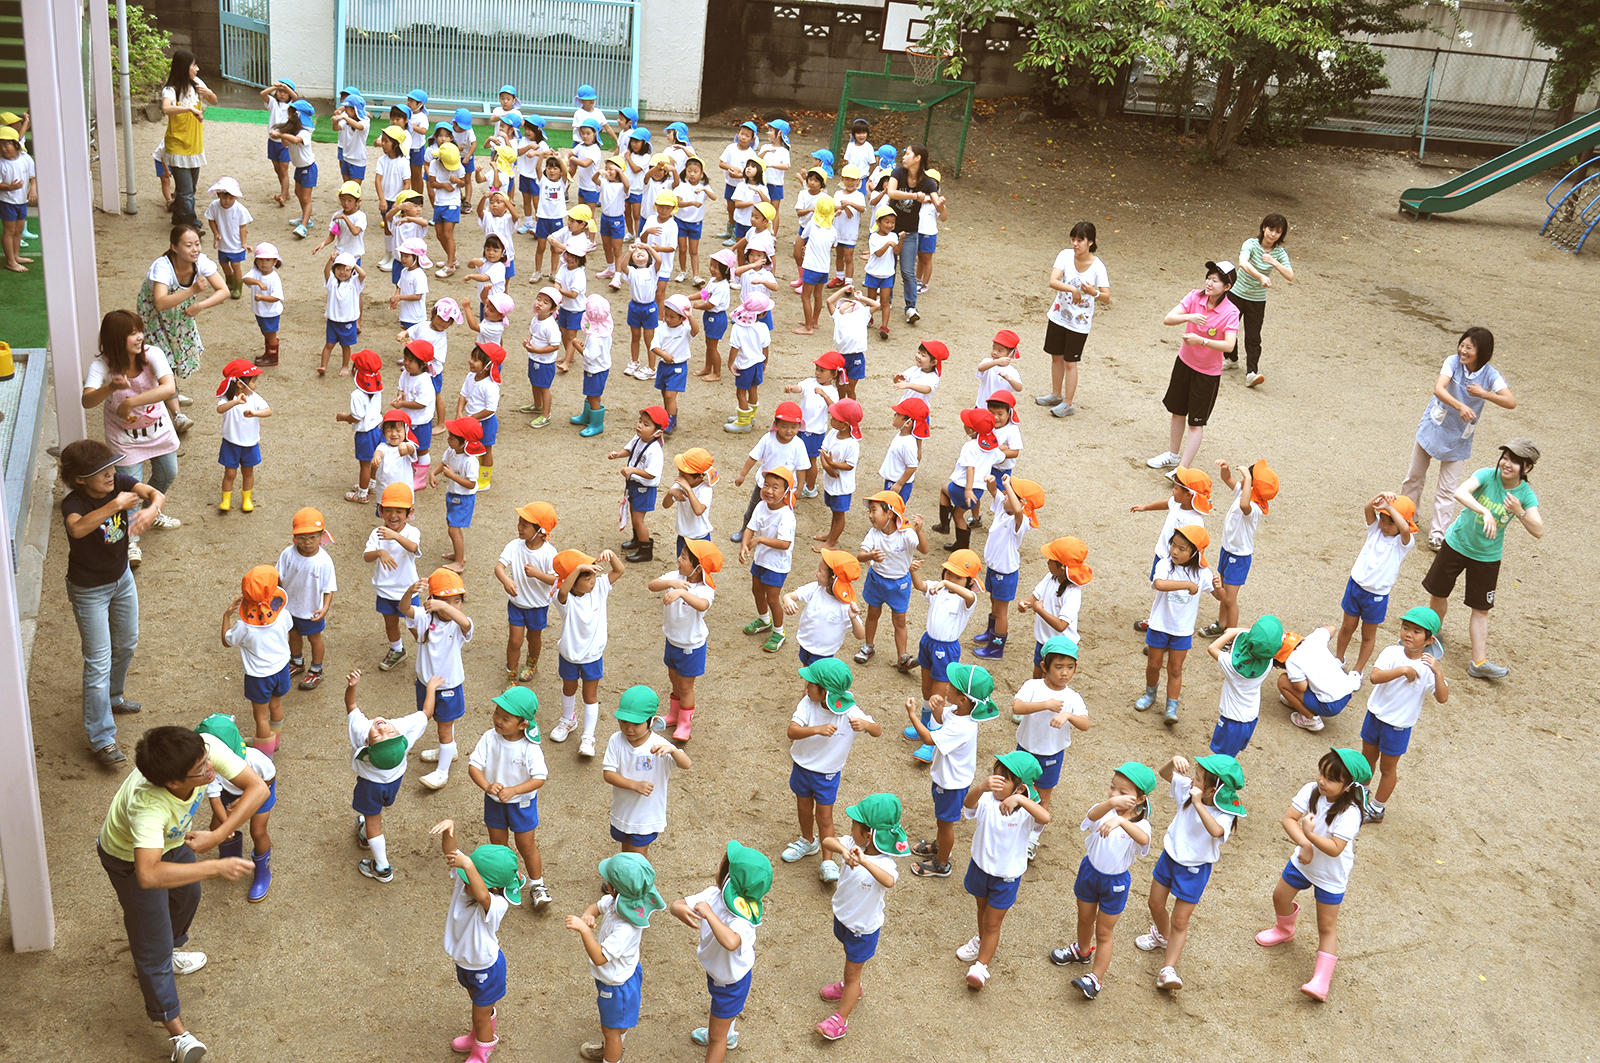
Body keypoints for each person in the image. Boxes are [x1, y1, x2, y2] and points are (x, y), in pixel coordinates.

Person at [97, 725, 266, 1062]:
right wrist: (216, 867)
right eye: (201, 770)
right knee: (151, 941)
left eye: (207, 760)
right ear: (174, 783)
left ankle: (168, 951)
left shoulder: (199, 749)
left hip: (172, 842)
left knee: (188, 897)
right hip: (130, 858)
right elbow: (147, 874)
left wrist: (218, 836)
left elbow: (257, 788)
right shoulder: (147, 806)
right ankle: (178, 1034)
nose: (210, 769)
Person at [60, 440, 165, 765]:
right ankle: (102, 739)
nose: (111, 473)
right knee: (97, 662)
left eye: (111, 466)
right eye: (101, 471)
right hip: (88, 589)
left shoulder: (119, 481)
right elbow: (77, 529)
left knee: (127, 643)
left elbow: (154, 493)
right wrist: (114, 505)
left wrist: (150, 510)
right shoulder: (74, 502)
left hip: (121, 579)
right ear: (80, 478)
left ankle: (113, 696)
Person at [1254, 748, 1371, 1002]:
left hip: (1331, 874)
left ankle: (1321, 981)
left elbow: (1335, 849)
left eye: (1331, 779)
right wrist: (1304, 845)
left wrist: (1310, 836)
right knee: (1280, 897)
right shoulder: (1311, 790)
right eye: (1322, 773)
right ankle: (1285, 929)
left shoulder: (1350, 813)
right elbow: (1288, 819)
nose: (1321, 781)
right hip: (1303, 863)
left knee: (1326, 926)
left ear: (1348, 787)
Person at [1421, 439, 1543, 678]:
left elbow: (1538, 530)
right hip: (1456, 544)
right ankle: (1434, 633)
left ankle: (1479, 662)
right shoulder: (1488, 475)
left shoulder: (1525, 495)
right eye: (1505, 457)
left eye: (1514, 461)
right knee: (1438, 593)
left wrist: (1519, 511)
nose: (1506, 464)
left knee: (1481, 608)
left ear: (1527, 468)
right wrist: (1484, 510)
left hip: (1487, 556)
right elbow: (1460, 492)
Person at [1136, 753, 1246, 991]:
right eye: (1194, 775)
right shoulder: (1189, 788)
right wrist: (1172, 760)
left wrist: (1197, 804)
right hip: (1170, 856)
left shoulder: (1225, 811)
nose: (1192, 780)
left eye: (1198, 778)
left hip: (1195, 869)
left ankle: (1168, 969)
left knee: (1180, 919)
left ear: (1213, 790)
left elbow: (1216, 831)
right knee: (1154, 903)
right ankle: (1162, 936)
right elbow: (1165, 774)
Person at [81, 310, 182, 566]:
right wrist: (112, 387)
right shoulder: (102, 366)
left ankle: (152, 509)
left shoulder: (152, 354)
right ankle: (131, 542)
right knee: (130, 487)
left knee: (168, 473)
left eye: (140, 331)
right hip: (125, 439)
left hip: (158, 431)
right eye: (132, 333)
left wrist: (130, 403)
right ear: (116, 339)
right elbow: (87, 400)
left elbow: (169, 388)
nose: (140, 337)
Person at [1048, 761, 1157, 1001]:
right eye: (1112, 787)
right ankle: (1082, 950)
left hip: (1115, 884)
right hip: (1089, 872)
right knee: (1084, 918)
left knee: (1105, 932)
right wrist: (1111, 805)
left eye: (1122, 792)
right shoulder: (1104, 809)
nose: (1114, 794)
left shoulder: (1141, 824)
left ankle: (1095, 978)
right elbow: (1091, 815)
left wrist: (1121, 821)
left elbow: (1143, 839)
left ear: (1140, 799)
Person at [1400, 328, 1516, 549]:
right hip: (1435, 426)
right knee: (1414, 476)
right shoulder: (1453, 362)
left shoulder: (1491, 375)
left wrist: (1484, 394)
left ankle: (1437, 534)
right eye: (1462, 345)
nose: (1463, 350)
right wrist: (1460, 405)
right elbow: (1439, 388)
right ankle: (1405, 517)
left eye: (1469, 348)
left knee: (1447, 488)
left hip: (1459, 437)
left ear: (1482, 352)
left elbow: (1510, 402)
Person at [429, 819, 523, 1063]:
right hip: (466, 962)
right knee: (477, 1005)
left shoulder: (496, 904)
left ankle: (483, 1050)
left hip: (486, 968)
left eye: (469, 876)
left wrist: (469, 866)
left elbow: (480, 892)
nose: (463, 881)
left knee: (480, 1013)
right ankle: (478, 1033)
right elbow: (452, 853)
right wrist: (450, 830)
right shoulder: (466, 881)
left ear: (492, 887)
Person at [814, 793, 906, 1041]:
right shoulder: (854, 845)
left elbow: (889, 881)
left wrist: (864, 861)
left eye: (855, 825)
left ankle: (841, 1018)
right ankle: (849, 986)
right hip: (844, 919)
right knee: (848, 959)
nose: (850, 828)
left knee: (854, 972)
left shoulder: (885, 864)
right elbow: (828, 841)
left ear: (869, 834)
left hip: (862, 930)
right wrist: (844, 851)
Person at [670, 841, 772, 1062]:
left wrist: (709, 915)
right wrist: (680, 910)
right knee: (721, 1016)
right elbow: (677, 904)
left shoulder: (743, 920)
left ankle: (724, 1035)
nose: (717, 871)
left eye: (722, 869)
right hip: (718, 971)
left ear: (729, 881)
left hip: (731, 983)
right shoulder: (712, 895)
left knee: (718, 1038)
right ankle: (729, 1032)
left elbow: (731, 941)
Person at [955, 751, 1049, 989]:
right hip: (980, 867)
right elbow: (967, 803)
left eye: (1003, 779)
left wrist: (1021, 801)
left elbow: (1045, 817)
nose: (995, 781)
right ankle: (980, 939)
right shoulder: (987, 798)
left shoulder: (1027, 810)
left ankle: (981, 967)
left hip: (1006, 878)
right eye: (994, 775)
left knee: (993, 922)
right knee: (981, 910)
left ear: (1019, 789)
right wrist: (981, 786)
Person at [782, 658, 881, 881]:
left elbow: (877, 731)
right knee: (804, 808)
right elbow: (792, 731)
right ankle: (808, 841)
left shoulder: (850, 712)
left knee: (825, 817)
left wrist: (866, 725)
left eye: (811, 684)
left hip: (827, 774)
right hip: (802, 767)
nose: (806, 687)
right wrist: (816, 729)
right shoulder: (807, 704)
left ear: (826, 692)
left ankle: (828, 860)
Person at [568, 853, 666, 1063]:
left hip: (616, 986)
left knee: (610, 1031)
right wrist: (589, 915)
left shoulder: (626, 928)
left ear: (616, 889)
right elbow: (596, 906)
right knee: (616, 1025)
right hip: (619, 976)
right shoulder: (620, 901)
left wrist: (584, 930)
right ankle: (614, 1041)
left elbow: (600, 957)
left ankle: (611, 1054)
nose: (606, 884)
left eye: (608, 882)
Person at [905, 661, 997, 879]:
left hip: (952, 785)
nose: (946, 686)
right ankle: (940, 846)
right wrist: (937, 709)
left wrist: (913, 716)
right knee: (941, 820)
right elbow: (940, 719)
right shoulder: (958, 712)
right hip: (946, 780)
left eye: (951, 686)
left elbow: (928, 738)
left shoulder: (962, 727)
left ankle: (942, 863)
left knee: (946, 825)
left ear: (963, 699)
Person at [347, 668, 439, 883]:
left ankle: (382, 868)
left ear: (367, 745)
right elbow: (427, 712)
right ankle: (366, 833)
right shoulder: (403, 733)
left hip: (370, 787)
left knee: (373, 822)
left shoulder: (362, 732)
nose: (383, 729)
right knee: (375, 814)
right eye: (387, 733)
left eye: (381, 734)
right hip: (393, 784)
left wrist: (352, 687)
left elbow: (351, 705)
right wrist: (432, 688)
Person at [1359, 606, 1448, 824]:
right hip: (1375, 715)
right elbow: (1374, 677)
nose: (1408, 634)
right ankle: (1361, 794)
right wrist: (1402, 671)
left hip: (1398, 726)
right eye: (1405, 628)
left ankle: (1377, 808)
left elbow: (1442, 697)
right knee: (1367, 757)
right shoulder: (1391, 652)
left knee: (1388, 768)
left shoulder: (1428, 667)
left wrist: (1438, 672)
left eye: (1416, 632)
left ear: (1429, 640)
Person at [1147, 260, 1239, 470]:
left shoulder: (1231, 312)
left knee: (1195, 423)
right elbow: (1168, 319)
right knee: (1177, 412)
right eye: (1209, 278)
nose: (1209, 283)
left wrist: (1202, 341)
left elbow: (1229, 345)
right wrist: (1189, 317)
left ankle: (1183, 470)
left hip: (1207, 374)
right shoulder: (1194, 296)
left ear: (1227, 287)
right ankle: (1172, 455)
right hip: (1184, 364)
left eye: (1215, 280)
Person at [136, 225, 228, 432]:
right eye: (188, 245)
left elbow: (224, 290)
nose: (195, 249)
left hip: (181, 312)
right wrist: (194, 291)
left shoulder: (201, 261)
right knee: (163, 358)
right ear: (174, 248)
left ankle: (171, 390)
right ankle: (177, 415)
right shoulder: (162, 267)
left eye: (197, 244)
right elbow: (160, 302)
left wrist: (200, 305)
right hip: (154, 316)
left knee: (178, 352)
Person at [466, 686, 550, 906]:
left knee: (526, 845)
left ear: (523, 725)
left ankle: (537, 884)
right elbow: (474, 766)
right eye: (496, 713)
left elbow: (540, 777)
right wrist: (487, 786)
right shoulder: (489, 737)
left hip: (521, 804)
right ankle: (505, 879)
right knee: (498, 846)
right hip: (494, 802)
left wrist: (514, 790)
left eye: (506, 718)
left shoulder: (530, 747)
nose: (498, 720)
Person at [1011, 635, 1089, 860]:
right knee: (1019, 789)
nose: (1065, 673)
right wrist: (1046, 705)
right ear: (1044, 666)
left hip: (1052, 755)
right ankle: (1014, 826)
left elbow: (1085, 724)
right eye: (1059, 667)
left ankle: (1032, 837)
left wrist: (1068, 715)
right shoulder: (1032, 686)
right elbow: (1017, 706)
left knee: (1043, 796)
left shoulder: (1072, 697)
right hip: (1025, 750)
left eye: (1070, 667)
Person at [400, 569, 475, 789]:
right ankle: (448, 749)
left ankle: (442, 772)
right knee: (434, 721)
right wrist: (409, 592)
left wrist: (444, 606)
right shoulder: (424, 618)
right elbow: (404, 609)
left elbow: (467, 624)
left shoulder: (458, 623)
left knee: (444, 726)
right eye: (445, 600)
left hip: (448, 686)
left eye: (457, 601)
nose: (453, 606)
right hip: (425, 683)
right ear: (431, 600)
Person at [1136, 525, 1217, 725]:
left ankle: (1171, 706)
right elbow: (1159, 584)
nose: (1175, 551)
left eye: (1182, 549)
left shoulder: (1203, 573)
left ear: (1194, 553)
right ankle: (1150, 694)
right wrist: (1187, 585)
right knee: (1153, 664)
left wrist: (1219, 586)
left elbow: (1220, 597)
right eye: (1173, 545)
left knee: (1175, 669)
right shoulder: (1165, 564)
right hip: (1159, 625)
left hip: (1182, 630)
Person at [549, 548, 628, 755]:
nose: (593, 579)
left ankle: (588, 736)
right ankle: (568, 720)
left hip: (593, 656)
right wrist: (578, 569)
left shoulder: (600, 588)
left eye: (593, 574)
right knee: (569, 688)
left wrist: (611, 555)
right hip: (569, 655)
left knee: (590, 694)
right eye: (587, 576)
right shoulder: (563, 599)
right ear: (572, 579)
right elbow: (564, 591)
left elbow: (619, 570)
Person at [603, 686, 692, 858]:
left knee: (637, 858)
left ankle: (633, 884)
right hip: (623, 811)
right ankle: (622, 879)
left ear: (652, 720)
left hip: (646, 816)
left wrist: (673, 750)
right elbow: (608, 774)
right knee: (626, 850)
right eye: (623, 722)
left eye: (636, 724)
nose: (629, 729)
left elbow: (686, 764)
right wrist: (634, 785)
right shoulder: (616, 740)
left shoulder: (660, 746)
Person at [1334, 492, 1417, 676]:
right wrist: (1381, 497)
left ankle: (1358, 671)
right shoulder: (1375, 530)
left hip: (1377, 595)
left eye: (1391, 522)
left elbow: (1404, 530)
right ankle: (1338, 659)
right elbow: (1367, 508)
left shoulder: (1403, 543)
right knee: (1347, 626)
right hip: (1355, 586)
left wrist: (1389, 508)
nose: (1385, 526)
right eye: (1383, 520)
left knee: (1368, 634)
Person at [648, 536, 721, 741]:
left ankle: (684, 723)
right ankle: (673, 714)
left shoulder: (706, 589)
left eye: (684, 557)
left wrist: (681, 592)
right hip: (672, 641)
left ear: (698, 569)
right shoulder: (676, 576)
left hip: (691, 646)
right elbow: (652, 585)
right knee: (674, 679)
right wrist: (671, 583)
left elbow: (702, 605)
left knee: (686, 686)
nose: (679, 559)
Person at [196, 714, 275, 903]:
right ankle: (229, 858)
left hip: (261, 790)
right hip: (228, 793)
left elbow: (269, 778)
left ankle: (263, 873)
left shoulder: (254, 758)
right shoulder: (209, 767)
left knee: (258, 831)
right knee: (216, 826)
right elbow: (214, 796)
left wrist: (244, 799)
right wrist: (227, 826)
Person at [1037, 222, 1109, 417]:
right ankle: (1055, 394)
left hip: (1079, 323)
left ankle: (1068, 403)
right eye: (1073, 239)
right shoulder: (1065, 255)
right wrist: (1073, 289)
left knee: (1070, 362)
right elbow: (1053, 281)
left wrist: (1093, 293)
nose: (1075, 244)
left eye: (1080, 240)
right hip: (1059, 315)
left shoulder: (1097, 267)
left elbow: (1106, 296)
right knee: (1056, 356)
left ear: (1090, 242)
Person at [220, 566, 294, 755]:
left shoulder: (244, 626)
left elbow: (227, 641)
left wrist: (226, 616)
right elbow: (289, 626)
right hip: (282, 669)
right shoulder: (283, 614)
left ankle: (265, 754)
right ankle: (274, 741)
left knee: (261, 717)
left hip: (259, 676)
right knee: (276, 705)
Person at [1202, 459, 1278, 637]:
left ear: (1254, 484)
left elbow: (1245, 506)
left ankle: (1231, 635)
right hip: (1227, 551)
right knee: (1222, 591)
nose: (1242, 480)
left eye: (1248, 478)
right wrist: (1225, 468)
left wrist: (1248, 480)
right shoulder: (1245, 493)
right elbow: (1227, 479)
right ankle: (1221, 624)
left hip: (1239, 557)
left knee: (1229, 599)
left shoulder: (1254, 506)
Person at [853, 490, 927, 671]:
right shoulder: (873, 533)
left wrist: (919, 531)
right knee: (872, 613)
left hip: (899, 584)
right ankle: (868, 645)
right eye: (869, 511)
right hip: (876, 579)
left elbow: (924, 549)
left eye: (874, 510)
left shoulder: (906, 534)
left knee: (899, 620)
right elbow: (860, 556)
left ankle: (902, 656)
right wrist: (870, 555)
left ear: (890, 513)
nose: (870, 515)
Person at [495, 501, 559, 683]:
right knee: (515, 641)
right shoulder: (514, 546)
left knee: (534, 638)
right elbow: (499, 567)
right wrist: (506, 580)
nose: (519, 528)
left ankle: (532, 663)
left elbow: (557, 579)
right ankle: (512, 677)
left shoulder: (549, 553)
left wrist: (538, 574)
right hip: (516, 604)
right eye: (519, 523)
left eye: (525, 525)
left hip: (538, 606)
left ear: (540, 531)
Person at [1228, 213, 1294, 387]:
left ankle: (1251, 372)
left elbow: (1290, 276)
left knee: (1253, 336)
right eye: (1271, 229)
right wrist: (1260, 277)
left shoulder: (1279, 253)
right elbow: (1243, 262)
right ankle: (1231, 359)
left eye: (1278, 232)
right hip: (1236, 293)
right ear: (1264, 228)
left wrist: (1275, 262)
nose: (1273, 234)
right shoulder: (1250, 244)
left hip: (1257, 300)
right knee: (1228, 328)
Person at [1206, 616, 1284, 758]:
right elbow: (1266, 642)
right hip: (1250, 719)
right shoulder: (1268, 663)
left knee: (1221, 759)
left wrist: (1232, 632)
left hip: (1231, 721)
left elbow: (1212, 648)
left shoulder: (1232, 666)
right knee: (1231, 754)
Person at [739, 467, 798, 654]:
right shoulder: (761, 506)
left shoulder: (786, 515)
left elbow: (784, 543)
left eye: (775, 487)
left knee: (773, 599)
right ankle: (764, 620)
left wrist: (759, 540)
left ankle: (779, 632)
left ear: (786, 492)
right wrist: (744, 545)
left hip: (777, 565)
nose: (769, 491)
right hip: (761, 559)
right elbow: (750, 527)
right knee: (756, 590)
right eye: (766, 485)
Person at [277, 507, 337, 691]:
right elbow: (278, 578)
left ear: (321, 536)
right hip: (289, 608)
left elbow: (329, 588)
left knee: (314, 638)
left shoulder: (324, 561)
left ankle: (316, 669)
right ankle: (297, 661)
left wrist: (325, 608)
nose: (307, 542)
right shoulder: (288, 554)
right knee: (293, 634)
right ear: (295, 537)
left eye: (312, 537)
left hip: (311, 609)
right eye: (302, 537)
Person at [158, 50, 218, 227]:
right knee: (186, 192)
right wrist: (189, 109)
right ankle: (192, 224)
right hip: (177, 145)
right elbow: (166, 108)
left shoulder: (197, 84)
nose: (197, 69)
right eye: (194, 65)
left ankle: (177, 215)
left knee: (190, 188)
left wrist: (207, 92)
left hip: (194, 145)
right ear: (184, 67)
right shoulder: (170, 90)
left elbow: (214, 100)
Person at [882, 143, 936, 325]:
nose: (904, 157)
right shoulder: (897, 173)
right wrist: (916, 196)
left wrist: (940, 204)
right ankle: (884, 302)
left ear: (918, 158)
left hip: (910, 232)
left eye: (907, 154)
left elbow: (937, 203)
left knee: (907, 272)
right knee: (888, 269)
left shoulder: (927, 182)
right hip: (888, 230)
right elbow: (892, 192)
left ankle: (911, 308)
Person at [1021, 537, 1092, 673]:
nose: (1047, 562)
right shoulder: (1050, 577)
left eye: (1051, 560)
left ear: (1062, 567)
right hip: (1044, 641)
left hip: (1060, 647)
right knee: (1037, 674)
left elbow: (1061, 625)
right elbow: (1035, 597)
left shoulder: (1073, 593)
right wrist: (1026, 603)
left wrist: (1039, 610)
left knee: (1054, 682)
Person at [1275, 626, 1361, 733]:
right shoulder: (1314, 639)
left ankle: (1310, 718)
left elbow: (1301, 687)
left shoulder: (1291, 660)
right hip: (1347, 693)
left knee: (1283, 681)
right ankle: (1305, 703)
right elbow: (1332, 629)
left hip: (1330, 705)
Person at [214, 359, 271, 513]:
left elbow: (268, 411)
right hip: (231, 442)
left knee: (248, 471)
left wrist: (255, 413)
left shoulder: (254, 398)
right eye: (253, 381)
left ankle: (247, 498)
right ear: (240, 384)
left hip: (250, 443)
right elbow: (220, 409)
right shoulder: (227, 398)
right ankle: (226, 500)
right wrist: (235, 402)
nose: (256, 385)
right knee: (230, 473)